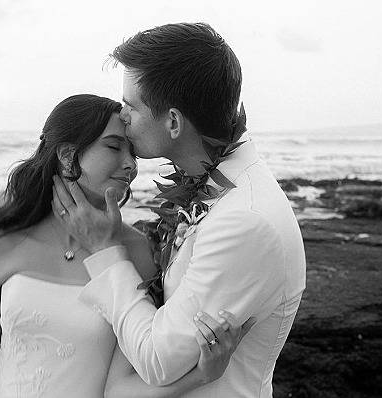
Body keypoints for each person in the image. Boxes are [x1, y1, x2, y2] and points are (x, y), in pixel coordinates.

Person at [0, 94, 254, 398]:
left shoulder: (137, 251)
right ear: (68, 155)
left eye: (133, 152)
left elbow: (123, 387)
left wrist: (203, 373)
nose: (130, 164)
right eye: (114, 147)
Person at [52, 23, 307, 397]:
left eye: (130, 105)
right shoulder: (216, 188)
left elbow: (158, 359)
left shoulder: (244, 220)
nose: (121, 116)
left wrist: (105, 252)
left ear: (173, 121)